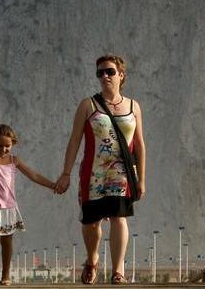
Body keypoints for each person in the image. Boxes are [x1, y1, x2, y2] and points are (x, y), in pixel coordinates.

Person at [55, 54, 147, 285]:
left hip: (123, 174)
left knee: (119, 218)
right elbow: (75, 140)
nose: (104, 76)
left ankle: (118, 271)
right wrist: (66, 173)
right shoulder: (88, 105)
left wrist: (142, 179)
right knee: (91, 222)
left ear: (121, 75)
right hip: (93, 174)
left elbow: (140, 144)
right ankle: (93, 258)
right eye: (100, 73)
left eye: (109, 71)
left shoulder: (134, 106)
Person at [0, 123, 58, 286]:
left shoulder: (14, 161)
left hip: (9, 207)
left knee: (7, 242)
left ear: (13, 144)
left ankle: (5, 275)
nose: (3, 149)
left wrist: (53, 185)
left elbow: (34, 175)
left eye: (7, 146)